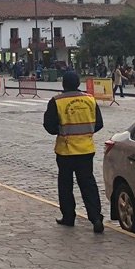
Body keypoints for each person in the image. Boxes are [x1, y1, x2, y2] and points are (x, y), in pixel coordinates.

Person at [42, 69, 105, 233]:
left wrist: (62, 131)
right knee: (88, 184)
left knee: (65, 185)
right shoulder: (90, 99)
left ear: (63, 84)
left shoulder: (57, 101)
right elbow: (99, 123)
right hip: (86, 149)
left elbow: (49, 125)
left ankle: (69, 217)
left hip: (66, 150)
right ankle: (96, 217)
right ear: (78, 83)